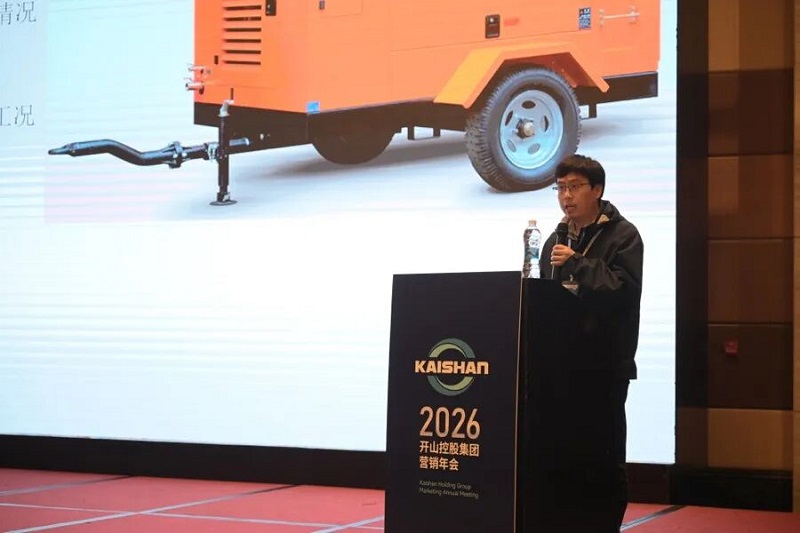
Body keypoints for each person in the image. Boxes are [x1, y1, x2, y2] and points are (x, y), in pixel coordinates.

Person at [534, 154, 644, 532]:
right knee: (564, 453)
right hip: (559, 367)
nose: (566, 196)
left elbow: (622, 291)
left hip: (603, 367)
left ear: (597, 190)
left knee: (603, 454)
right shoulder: (555, 238)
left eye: (575, 187)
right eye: (561, 188)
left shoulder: (623, 235)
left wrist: (577, 263)